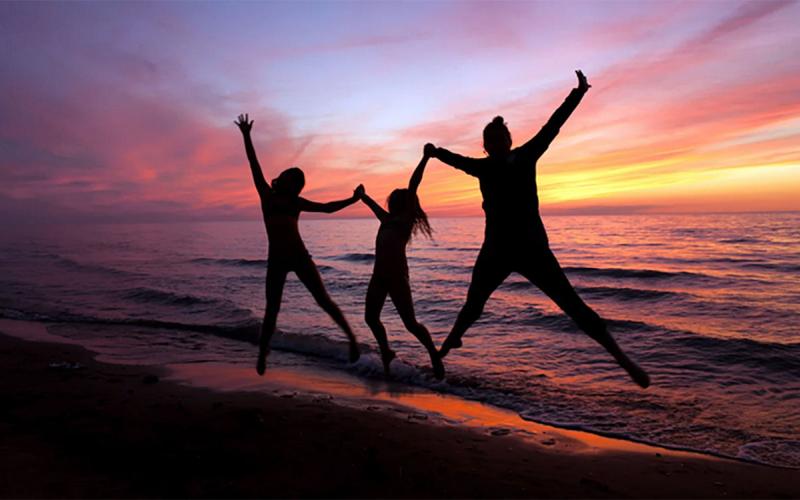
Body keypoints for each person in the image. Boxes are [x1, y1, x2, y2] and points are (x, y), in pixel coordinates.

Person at [425, 71, 650, 388]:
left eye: (502, 139)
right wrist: (436, 152)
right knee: (473, 305)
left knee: (573, 306)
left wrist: (579, 92)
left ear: (509, 141)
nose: (498, 144)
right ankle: (446, 349)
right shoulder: (483, 167)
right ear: (486, 146)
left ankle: (623, 360)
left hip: (533, 251)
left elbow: (553, 126)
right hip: (496, 251)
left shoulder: (527, 155)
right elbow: (456, 160)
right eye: (492, 141)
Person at [235, 113, 361, 375]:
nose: (297, 187)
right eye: (294, 181)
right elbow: (253, 164)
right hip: (277, 261)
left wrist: (353, 200)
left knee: (323, 299)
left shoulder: (295, 202)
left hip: (300, 256)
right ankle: (263, 351)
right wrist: (247, 136)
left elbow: (326, 209)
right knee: (272, 308)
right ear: (285, 180)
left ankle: (351, 338)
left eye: (299, 184)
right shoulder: (267, 196)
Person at [357, 149, 444, 379]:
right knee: (370, 318)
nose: (391, 201)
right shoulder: (386, 219)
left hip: (397, 277)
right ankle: (386, 351)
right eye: (392, 199)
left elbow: (414, 183)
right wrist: (363, 196)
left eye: (396, 199)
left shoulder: (405, 220)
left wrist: (425, 158)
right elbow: (372, 206)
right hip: (379, 276)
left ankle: (433, 354)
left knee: (410, 324)